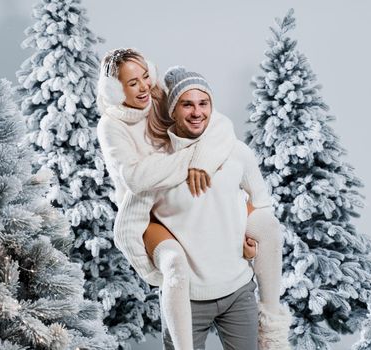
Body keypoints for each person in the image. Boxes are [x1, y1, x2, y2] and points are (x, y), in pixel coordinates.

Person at [112, 66, 292, 349]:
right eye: (187, 104)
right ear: (173, 110)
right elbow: (126, 228)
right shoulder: (159, 167)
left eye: (203, 103)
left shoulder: (235, 152)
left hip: (238, 290)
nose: (197, 112)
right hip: (187, 301)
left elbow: (262, 203)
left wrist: (249, 234)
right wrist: (157, 273)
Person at [96, 48, 252, 350]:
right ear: (116, 90)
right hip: (147, 213)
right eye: (132, 83)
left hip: (178, 199)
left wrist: (203, 162)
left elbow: (219, 125)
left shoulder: (159, 95)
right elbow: (137, 177)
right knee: (176, 267)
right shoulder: (111, 126)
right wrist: (195, 158)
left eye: (145, 77)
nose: (143, 87)